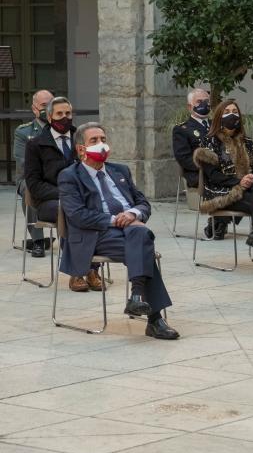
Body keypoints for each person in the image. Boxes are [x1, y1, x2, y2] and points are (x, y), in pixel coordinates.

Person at [58, 122, 179, 340]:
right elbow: (77, 216)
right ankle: (153, 318)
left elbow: (144, 204)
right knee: (143, 247)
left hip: (130, 230)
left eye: (103, 139)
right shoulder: (69, 176)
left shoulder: (119, 170)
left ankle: (138, 297)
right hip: (96, 234)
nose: (101, 144)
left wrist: (132, 214)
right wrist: (116, 220)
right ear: (81, 149)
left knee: (140, 236)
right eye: (94, 141)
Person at [193, 99, 253, 275]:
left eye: (235, 111)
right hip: (221, 194)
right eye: (227, 112)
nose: (231, 115)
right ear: (219, 117)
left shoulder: (245, 141)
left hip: (248, 192)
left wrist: (251, 178)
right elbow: (212, 176)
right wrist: (237, 182)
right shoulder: (209, 141)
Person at [24, 96, 96, 292]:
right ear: (49, 117)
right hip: (50, 202)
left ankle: (92, 267)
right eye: (59, 114)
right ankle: (79, 271)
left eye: (68, 114)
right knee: (69, 210)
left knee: (94, 208)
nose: (65, 118)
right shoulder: (36, 145)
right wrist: (65, 194)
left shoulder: (82, 139)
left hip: (81, 198)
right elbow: (34, 184)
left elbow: (96, 173)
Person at [172, 88, 229, 240]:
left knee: (244, 181)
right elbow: (183, 158)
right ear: (190, 107)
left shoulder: (218, 126)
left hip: (221, 172)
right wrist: (208, 167)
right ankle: (220, 221)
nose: (204, 104)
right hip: (199, 173)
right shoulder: (182, 129)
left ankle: (220, 220)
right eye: (199, 102)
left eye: (206, 101)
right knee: (228, 183)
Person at [13, 89, 53, 258]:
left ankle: (71, 239)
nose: (47, 109)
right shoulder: (23, 132)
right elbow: (24, 162)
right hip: (30, 178)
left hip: (55, 179)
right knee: (31, 189)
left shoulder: (62, 130)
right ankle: (38, 241)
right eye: (44, 105)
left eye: (50, 105)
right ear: (34, 109)